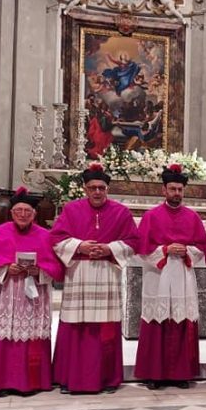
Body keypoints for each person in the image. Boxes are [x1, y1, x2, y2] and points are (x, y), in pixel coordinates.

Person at [49, 163, 138, 394]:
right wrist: (81, 245)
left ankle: (107, 379)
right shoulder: (71, 210)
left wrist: (110, 249)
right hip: (79, 274)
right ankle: (70, 378)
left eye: (101, 187)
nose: (97, 192)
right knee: (76, 327)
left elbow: (134, 242)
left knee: (105, 329)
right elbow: (56, 238)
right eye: (92, 188)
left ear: (107, 189)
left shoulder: (121, 212)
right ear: (85, 189)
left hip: (107, 276)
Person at [0, 187, 64, 397]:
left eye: (28, 211)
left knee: (31, 334)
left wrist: (39, 270)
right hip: (6, 292)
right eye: (19, 211)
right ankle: (0, 382)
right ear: (11, 212)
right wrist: (6, 268)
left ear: (35, 214)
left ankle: (32, 381)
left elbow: (55, 267)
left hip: (33, 293)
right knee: (4, 333)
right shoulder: (0, 232)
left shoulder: (45, 236)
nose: (23, 215)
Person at [135, 164, 206, 390]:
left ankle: (181, 374)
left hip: (183, 274)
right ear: (163, 190)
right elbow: (142, 249)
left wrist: (186, 251)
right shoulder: (151, 216)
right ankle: (154, 374)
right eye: (172, 189)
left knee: (182, 320)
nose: (177, 193)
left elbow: (202, 246)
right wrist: (166, 250)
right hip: (158, 275)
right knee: (157, 320)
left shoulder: (193, 217)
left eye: (180, 189)